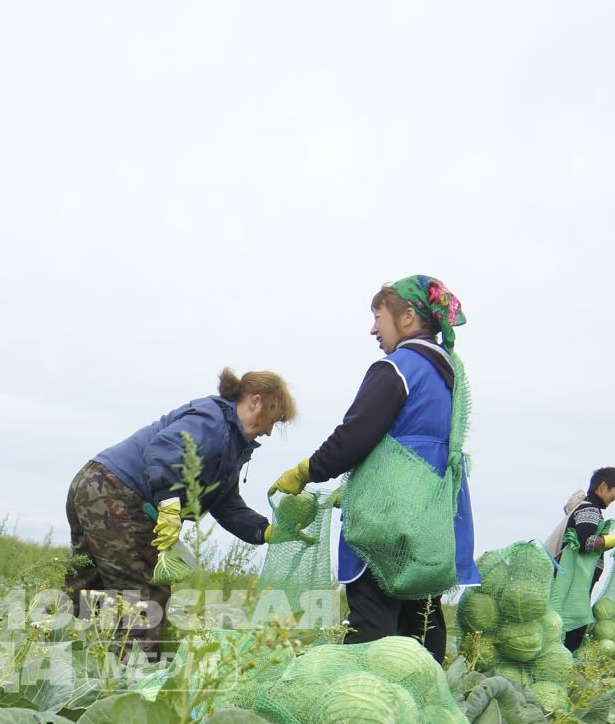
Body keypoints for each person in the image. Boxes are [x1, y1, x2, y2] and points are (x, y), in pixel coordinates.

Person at [269, 275, 476, 662]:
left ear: (408, 317)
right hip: (429, 525)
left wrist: (307, 470)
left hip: (384, 523)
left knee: (373, 631)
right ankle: (425, 710)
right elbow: (416, 447)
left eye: (378, 316)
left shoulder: (398, 368)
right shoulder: (449, 376)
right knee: (422, 627)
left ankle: (365, 716)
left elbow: (354, 437)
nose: (373, 329)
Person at [66, 368, 297, 656]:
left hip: (95, 483)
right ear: (255, 400)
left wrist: (263, 530)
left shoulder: (231, 442)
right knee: (145, 595)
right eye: (271, 420)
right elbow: (163, 449)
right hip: (117, 491)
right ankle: (134, 686)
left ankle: (66, 659)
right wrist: (170, 503)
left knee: (90, 586)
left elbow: (225, 504)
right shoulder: (213, 421)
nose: (269, 431)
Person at [548, 466, 615, 651]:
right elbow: (584, 541)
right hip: (572, 584)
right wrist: (613, 540)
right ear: (603, 486)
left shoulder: (585, 509)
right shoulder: (590, 510)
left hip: (574, 582)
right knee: (574, 626)